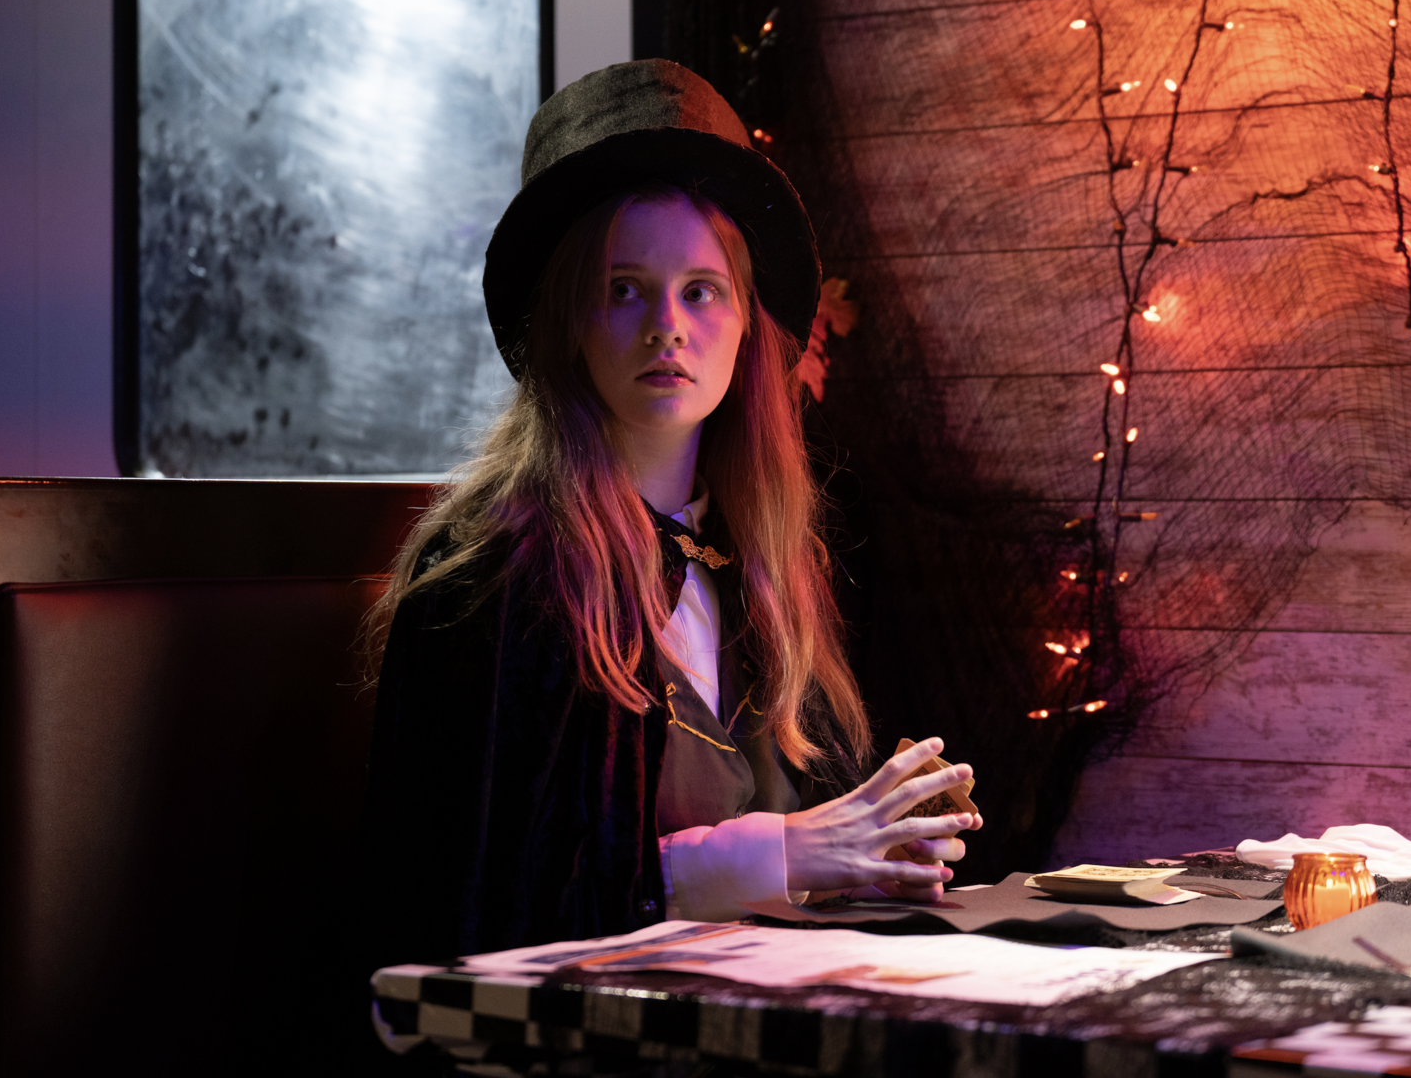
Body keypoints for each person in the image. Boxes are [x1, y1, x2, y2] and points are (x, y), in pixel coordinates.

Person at [359, 60, 981, 974]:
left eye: (700, 290)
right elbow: (490, 906)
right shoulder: (493, 573)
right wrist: (783, 854)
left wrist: (873, 852)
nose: (667, 327)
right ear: (566, 320)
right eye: (623, 288)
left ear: (744, 323)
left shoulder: (764, 558)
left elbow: (810, 842)